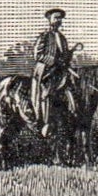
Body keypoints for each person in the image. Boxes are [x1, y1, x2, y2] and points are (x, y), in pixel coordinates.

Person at [31, 7, 75, 137]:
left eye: (60, 18)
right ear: (49, 20)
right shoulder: (44, 36)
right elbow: (37, 55)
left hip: (59, 71)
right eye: (56, 18)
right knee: (47, 93)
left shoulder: (62, 38)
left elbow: (65, 55)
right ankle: (45, 123)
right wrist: (54, 61)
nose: (58, 20)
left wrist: (70, 54)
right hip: (45, 71)